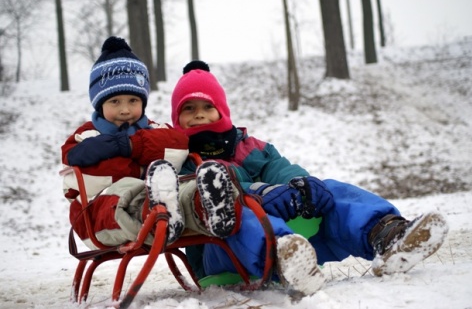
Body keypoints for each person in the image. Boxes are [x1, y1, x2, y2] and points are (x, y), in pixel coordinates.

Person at [168, 60, 449, 295]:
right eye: (188, 109)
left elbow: (280, 168)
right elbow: (195, 193)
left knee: (329, 190)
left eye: (206, 107)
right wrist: (259, 192)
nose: (199, 115)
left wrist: (300, 184)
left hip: (291, 240)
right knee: (236, 207)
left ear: (222, 110)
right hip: (222, 255)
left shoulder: (251, 147)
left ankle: (386, 235)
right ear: (176, 116)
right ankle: (283, 257)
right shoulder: (179, 159)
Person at [61, 37, 236, 249]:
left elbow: (178, 144)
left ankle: (206, 207)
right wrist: (137, 164)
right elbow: (81, 171)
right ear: (99, 104)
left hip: (154, 198)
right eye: (115, 102)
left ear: (143, 103)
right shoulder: (85, 137)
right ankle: (158, 218)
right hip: (97, 216)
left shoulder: (153, 129)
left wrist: (131, 146)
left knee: (182, 192)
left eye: (133, 101)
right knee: (131, 190)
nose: (125, 110)